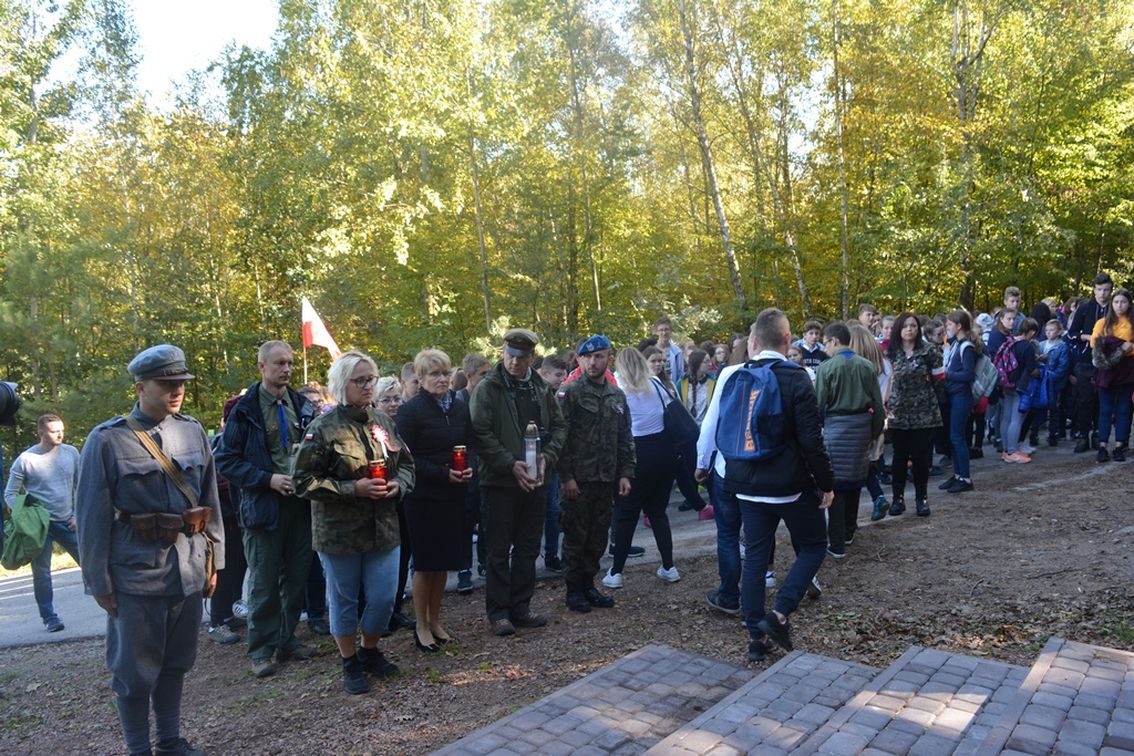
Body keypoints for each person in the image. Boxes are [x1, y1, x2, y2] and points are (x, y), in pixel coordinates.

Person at [76, 344, 224, 756]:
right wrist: (98, 582)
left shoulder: (192, 431)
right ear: (141, 387)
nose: (176, 391)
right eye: (165, 384)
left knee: (176, 661)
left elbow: (209, 501)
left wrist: (214, 562)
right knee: (134, 671)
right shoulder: (107, 440)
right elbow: (91, 516)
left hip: (188, 568)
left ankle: (170, 741)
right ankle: (139, 749)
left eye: (181, 383)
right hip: (136, 573)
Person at [696, 309, 834, 662]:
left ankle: (755, 640)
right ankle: (780, 612)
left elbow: (712, 425)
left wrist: (702, 463)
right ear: (788, 340)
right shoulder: (798, 376)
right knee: (815, 545)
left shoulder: (733, 374)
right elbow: (812, 439)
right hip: (790, 484)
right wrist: (825, 483)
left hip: (744, 482)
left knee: (756, 558)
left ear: (754, 342)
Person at [293, 350, 414, 694]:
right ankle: (349, 661)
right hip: (339, 534)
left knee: (384, 597)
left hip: (383, 528)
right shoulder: (323, 428)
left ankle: (369, 650)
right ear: (340, 384)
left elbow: (407, 464)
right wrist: (353, 488)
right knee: (344, 600)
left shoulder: (383, 422)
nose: (367, 386)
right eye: (358, 380)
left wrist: (399, 484)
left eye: (370, 379)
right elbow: (302, 481)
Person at [214, 340, 317, 679]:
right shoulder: (245, 410)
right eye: (279, 363)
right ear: (261, 366)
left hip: (300, 506)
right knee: (263, 582)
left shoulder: (301, 405)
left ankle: (286, 639)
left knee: (297, 577)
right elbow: (225, 460)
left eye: (289, 363)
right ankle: (260, 650)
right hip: (263, 508)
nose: (286, 369)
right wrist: (267, 479)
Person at [469, 328, 567, 636]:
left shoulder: (540, 387)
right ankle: (499, 613)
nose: (514, 362)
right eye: (510, 355)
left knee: (528, 548)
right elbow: (480, 433)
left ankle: (521, 607)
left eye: (521, 357)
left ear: (531, 357)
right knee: (498, 551)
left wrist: (547, 457)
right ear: (503, 352)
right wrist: (511, 465)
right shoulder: (488, 388)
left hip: (537, 480)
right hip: (500, 482)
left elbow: (560, 427)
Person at [395, 349, 475, 651]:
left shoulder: (459, 407)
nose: (441, 379)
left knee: (443, 563)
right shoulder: (410, 411)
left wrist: (470, 467)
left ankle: (435, 619)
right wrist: (442, 474)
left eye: (445, 373)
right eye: (434, 374)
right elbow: (406, 458)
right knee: (426, 564)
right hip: (423, 497)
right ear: (420, 378)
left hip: (454, 494)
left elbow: (472, 445)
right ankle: (421, 624)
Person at [558, 336, 634, 613]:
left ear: (608, 359)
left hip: (606, 478)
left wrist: (626, 472)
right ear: (579, 360)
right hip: (578, 480)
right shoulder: (569, 393)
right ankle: (573, 589)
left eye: (599, 356)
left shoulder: (617, 395)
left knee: (598, 535)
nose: (593, 362)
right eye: (587, 357)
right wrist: (566, 476)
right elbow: (560, 439)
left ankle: (589, 584)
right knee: (575, 535)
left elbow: (624, 437)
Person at [603, 346, 680, 593]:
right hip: (664, 453)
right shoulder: (656, 383)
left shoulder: (619, 389)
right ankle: (669, 566)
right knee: (658, 513)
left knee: (626, 516)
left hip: (635, 455)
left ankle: (616, 572)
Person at [4, 414, 81, 632]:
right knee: (42, 573)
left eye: (62, 430)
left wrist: (77, 515)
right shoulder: (26, 459)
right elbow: (9, 494)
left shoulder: (71, 453)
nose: (60, 434)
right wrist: (27, 517)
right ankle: (49, 618)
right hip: (41, 527)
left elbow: (82, 485)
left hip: (68, 521)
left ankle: (112, 606)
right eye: (54, 431)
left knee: (91, 562)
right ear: (40, 433)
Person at [814, 323, 884, 558]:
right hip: (862, 427)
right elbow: (878, 405)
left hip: (836, 429)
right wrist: (874, 433)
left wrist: (818, 431)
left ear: (834, 340)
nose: (824, 347)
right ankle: (849, 531)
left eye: (825, 342)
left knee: (836, 484)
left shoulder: (826, 368)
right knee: (855, 479)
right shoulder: (866, 366)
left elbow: (819, 403)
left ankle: (836, 543)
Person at [885, 313, 944, 517]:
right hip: (898, 412)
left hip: (924, 412)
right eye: (905, 326)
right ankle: (897, 498)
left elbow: (939, 380)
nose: (909, 329)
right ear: (898, 329)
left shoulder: (929, 351)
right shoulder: (890, 353)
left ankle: (922, 498)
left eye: (913, 326)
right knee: (899, 457)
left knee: (921, 457)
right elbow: (885, 382)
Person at [374, 376, 417, 629]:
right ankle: (378, 614)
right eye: (386, 400)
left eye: (396, 399)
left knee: (403, 554)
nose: (393, 404)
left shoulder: (403, 424)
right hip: (378, 503)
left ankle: (396, 607)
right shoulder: (372, 427)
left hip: (402, 497)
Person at [207, 396, 248, 645]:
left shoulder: (245, 442)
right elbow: (218, 481)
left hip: (240, 518)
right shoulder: (221, 444)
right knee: (223, 571)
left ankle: (230, 613)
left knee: (239, 567)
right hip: (223, 520)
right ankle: (216, 623)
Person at [1067, 274, 1114, 452]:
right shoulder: (1085, 308)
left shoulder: (1114, 308)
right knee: (1084, 399)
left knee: (1101, 400)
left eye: (1106, 290)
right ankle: (1082, 435)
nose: (1103, 293)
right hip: (1085, 360)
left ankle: (1098, 434)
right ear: (1094, 290)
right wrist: (1088, 338)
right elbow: (1071, 334)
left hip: (1108, 360)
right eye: (1099, 289)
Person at [1091, 288, 1134, 462]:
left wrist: (1125, 348)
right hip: (1106, 369)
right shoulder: (1102, 322)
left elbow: (1131, 347)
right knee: (1105, 409)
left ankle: (1119, 446)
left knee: (1123, 409)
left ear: (1129, 304)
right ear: (1111, 304)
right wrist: (1120, 345)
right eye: (1116, 302)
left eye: (1123, 302)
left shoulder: (1131, 323)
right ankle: (1102, 446)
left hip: (1127, 369)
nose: (1119, 305)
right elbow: (1095, 342)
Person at [939, 311, 978, 493]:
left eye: (949, 325)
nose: (947, 328)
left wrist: (947, 375)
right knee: (953, 438)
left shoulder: (967, 347)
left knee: (957, 437)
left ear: (959, 326)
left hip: (961, 396)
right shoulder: (956, 344)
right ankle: (957, 475)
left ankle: (965, 478)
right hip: (954, 395)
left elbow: (969, 374)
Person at [538, 355, 569, 573]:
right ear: (544, 373)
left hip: (553, 459)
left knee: (552, 508)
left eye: (564, 375)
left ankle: (551, 555)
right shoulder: (535, 394)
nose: (562, 379)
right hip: (533, 458)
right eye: (558, 375)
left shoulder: (559, 396)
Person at [993, 312, 1038, 463]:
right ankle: (1013, 451)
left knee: (1006, 417)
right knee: (1016, 419)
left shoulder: (1010, 342)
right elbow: (1031, 369)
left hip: (1006, 384)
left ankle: (1006, 450)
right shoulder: (1027, 346)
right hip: (1021, 386)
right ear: (1032, 332)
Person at [1038, 319, 1071, 446]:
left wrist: (1051, 375)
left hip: (1054, 382)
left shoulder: (1062, 346)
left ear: (1058, 331)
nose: (1048, 332)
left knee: (1054, 408)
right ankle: (1035, 431)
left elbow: (1063, 366)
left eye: (1052, 330)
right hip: (1042, 380)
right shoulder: (1041, 345)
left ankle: (1053, 434)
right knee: (1039, 407)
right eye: (1047, 330)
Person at [654, 316, 685, 382]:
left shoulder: (677, 352)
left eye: (666, 329)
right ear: (657, 332)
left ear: (671, 331)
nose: (664, 333)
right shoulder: (651, 350)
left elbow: (680, 375)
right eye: (661, 330)